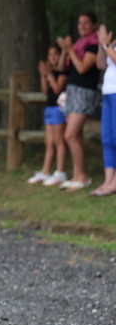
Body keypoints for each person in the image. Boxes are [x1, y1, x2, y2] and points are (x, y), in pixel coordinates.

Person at [57, 12, 101, 191]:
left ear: (93, 25)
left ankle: (82, 176)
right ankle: (77, 175)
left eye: (86, 23)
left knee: (69, 135)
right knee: (76, 136)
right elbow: (62, 68)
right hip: (72, 91)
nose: (82, 26)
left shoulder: (94, 45)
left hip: (85, 92)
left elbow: (82, 68)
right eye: (79, 23)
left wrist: (70, 50)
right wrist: (64, 50)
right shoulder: (78, 45)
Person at [28, 44, 68, 186]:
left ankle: (60, 171)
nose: (53, 57)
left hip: (58, 109)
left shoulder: (62, 72)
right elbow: (46, 91)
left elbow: (57, 89)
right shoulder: (50, 73)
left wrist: (49, 74)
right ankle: (45, 171)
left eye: (55, 54)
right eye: (50, 55)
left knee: (58, 140)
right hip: (49, 108)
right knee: (49, 142)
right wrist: (43, 75)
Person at [90, 23, 116, 196]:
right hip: (107, 93)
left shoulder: (110, 45)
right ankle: (108, 180)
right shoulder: (113, 43)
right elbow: (101, 64)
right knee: (107, 139)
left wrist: (106, 45)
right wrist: (102, 46)